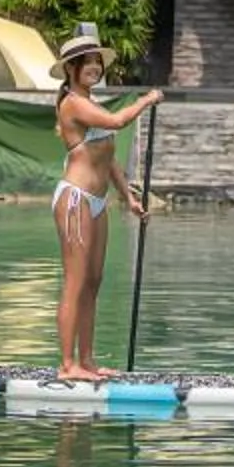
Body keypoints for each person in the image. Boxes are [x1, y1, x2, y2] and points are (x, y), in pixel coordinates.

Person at [49, 23, 162, 381]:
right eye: (88, 62)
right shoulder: (72, 104)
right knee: (75, 281)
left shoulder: (91, 102)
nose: (95, 68)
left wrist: (128, 197)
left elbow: (109, 159)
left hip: (97, 203)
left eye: (98, 62)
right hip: (75, 199)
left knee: (93, 281)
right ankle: (67, 366)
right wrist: (145, 100)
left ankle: (87, 361)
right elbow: (116, 121)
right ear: (71, 68)